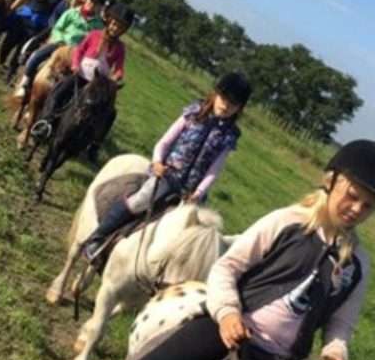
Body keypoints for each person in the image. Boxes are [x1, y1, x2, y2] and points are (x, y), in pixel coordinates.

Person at [109, 139, 375, 360]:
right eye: (351, 195)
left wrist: (336, 350)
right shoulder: (286, 222)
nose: (357, 209)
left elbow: (341, 322)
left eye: (368, 206)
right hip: (231, 331)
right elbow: (227, 267)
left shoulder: (359, 263)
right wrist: (227, 313)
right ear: (331, 180)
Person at [80, 72, 253, 263]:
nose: (226, 106)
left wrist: (199, 192)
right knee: (140, 201)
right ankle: (95, 239)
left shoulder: (230, 135)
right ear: (215, 94)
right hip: (168, 176)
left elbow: (215, 169)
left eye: (233, 104)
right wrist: (157, 162)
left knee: (195, 234)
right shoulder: (193, 113)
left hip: (192, 192)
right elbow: (165, 142)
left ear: (239, 108)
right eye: (224, 99)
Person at [34, 2, 134, 154]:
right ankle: (45, 122)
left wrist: (117, 76)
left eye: (120, 27)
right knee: (57, 91)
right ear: (109, 21)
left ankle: (94, 143)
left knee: (111, 113)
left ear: (123, 30)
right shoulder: (94, 35)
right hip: (80, 75)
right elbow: (80, 51)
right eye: (114, 24)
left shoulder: (120, 48)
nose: (115, 28)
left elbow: (119, 67)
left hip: (96, 85)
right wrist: (75, 64)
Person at [16, 0, 108, 98]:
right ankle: (25, 82)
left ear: (99, 7)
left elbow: (96, 42)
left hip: (79, 53)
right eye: (91, 0)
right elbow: (58, 28)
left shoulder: (98, 25)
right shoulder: (71, 13)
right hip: (61, 45)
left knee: (86, 80)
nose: (92, 4)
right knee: (37, 56)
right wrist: (60, 40)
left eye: (96, 3)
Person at [0, 0, 67, 80]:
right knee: (8, 43)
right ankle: (1, 60)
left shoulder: (59, 0)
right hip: (22, 19)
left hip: (37, 27)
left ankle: (11, 72)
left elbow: (56, 16)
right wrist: (12, 8)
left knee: (22, 49)